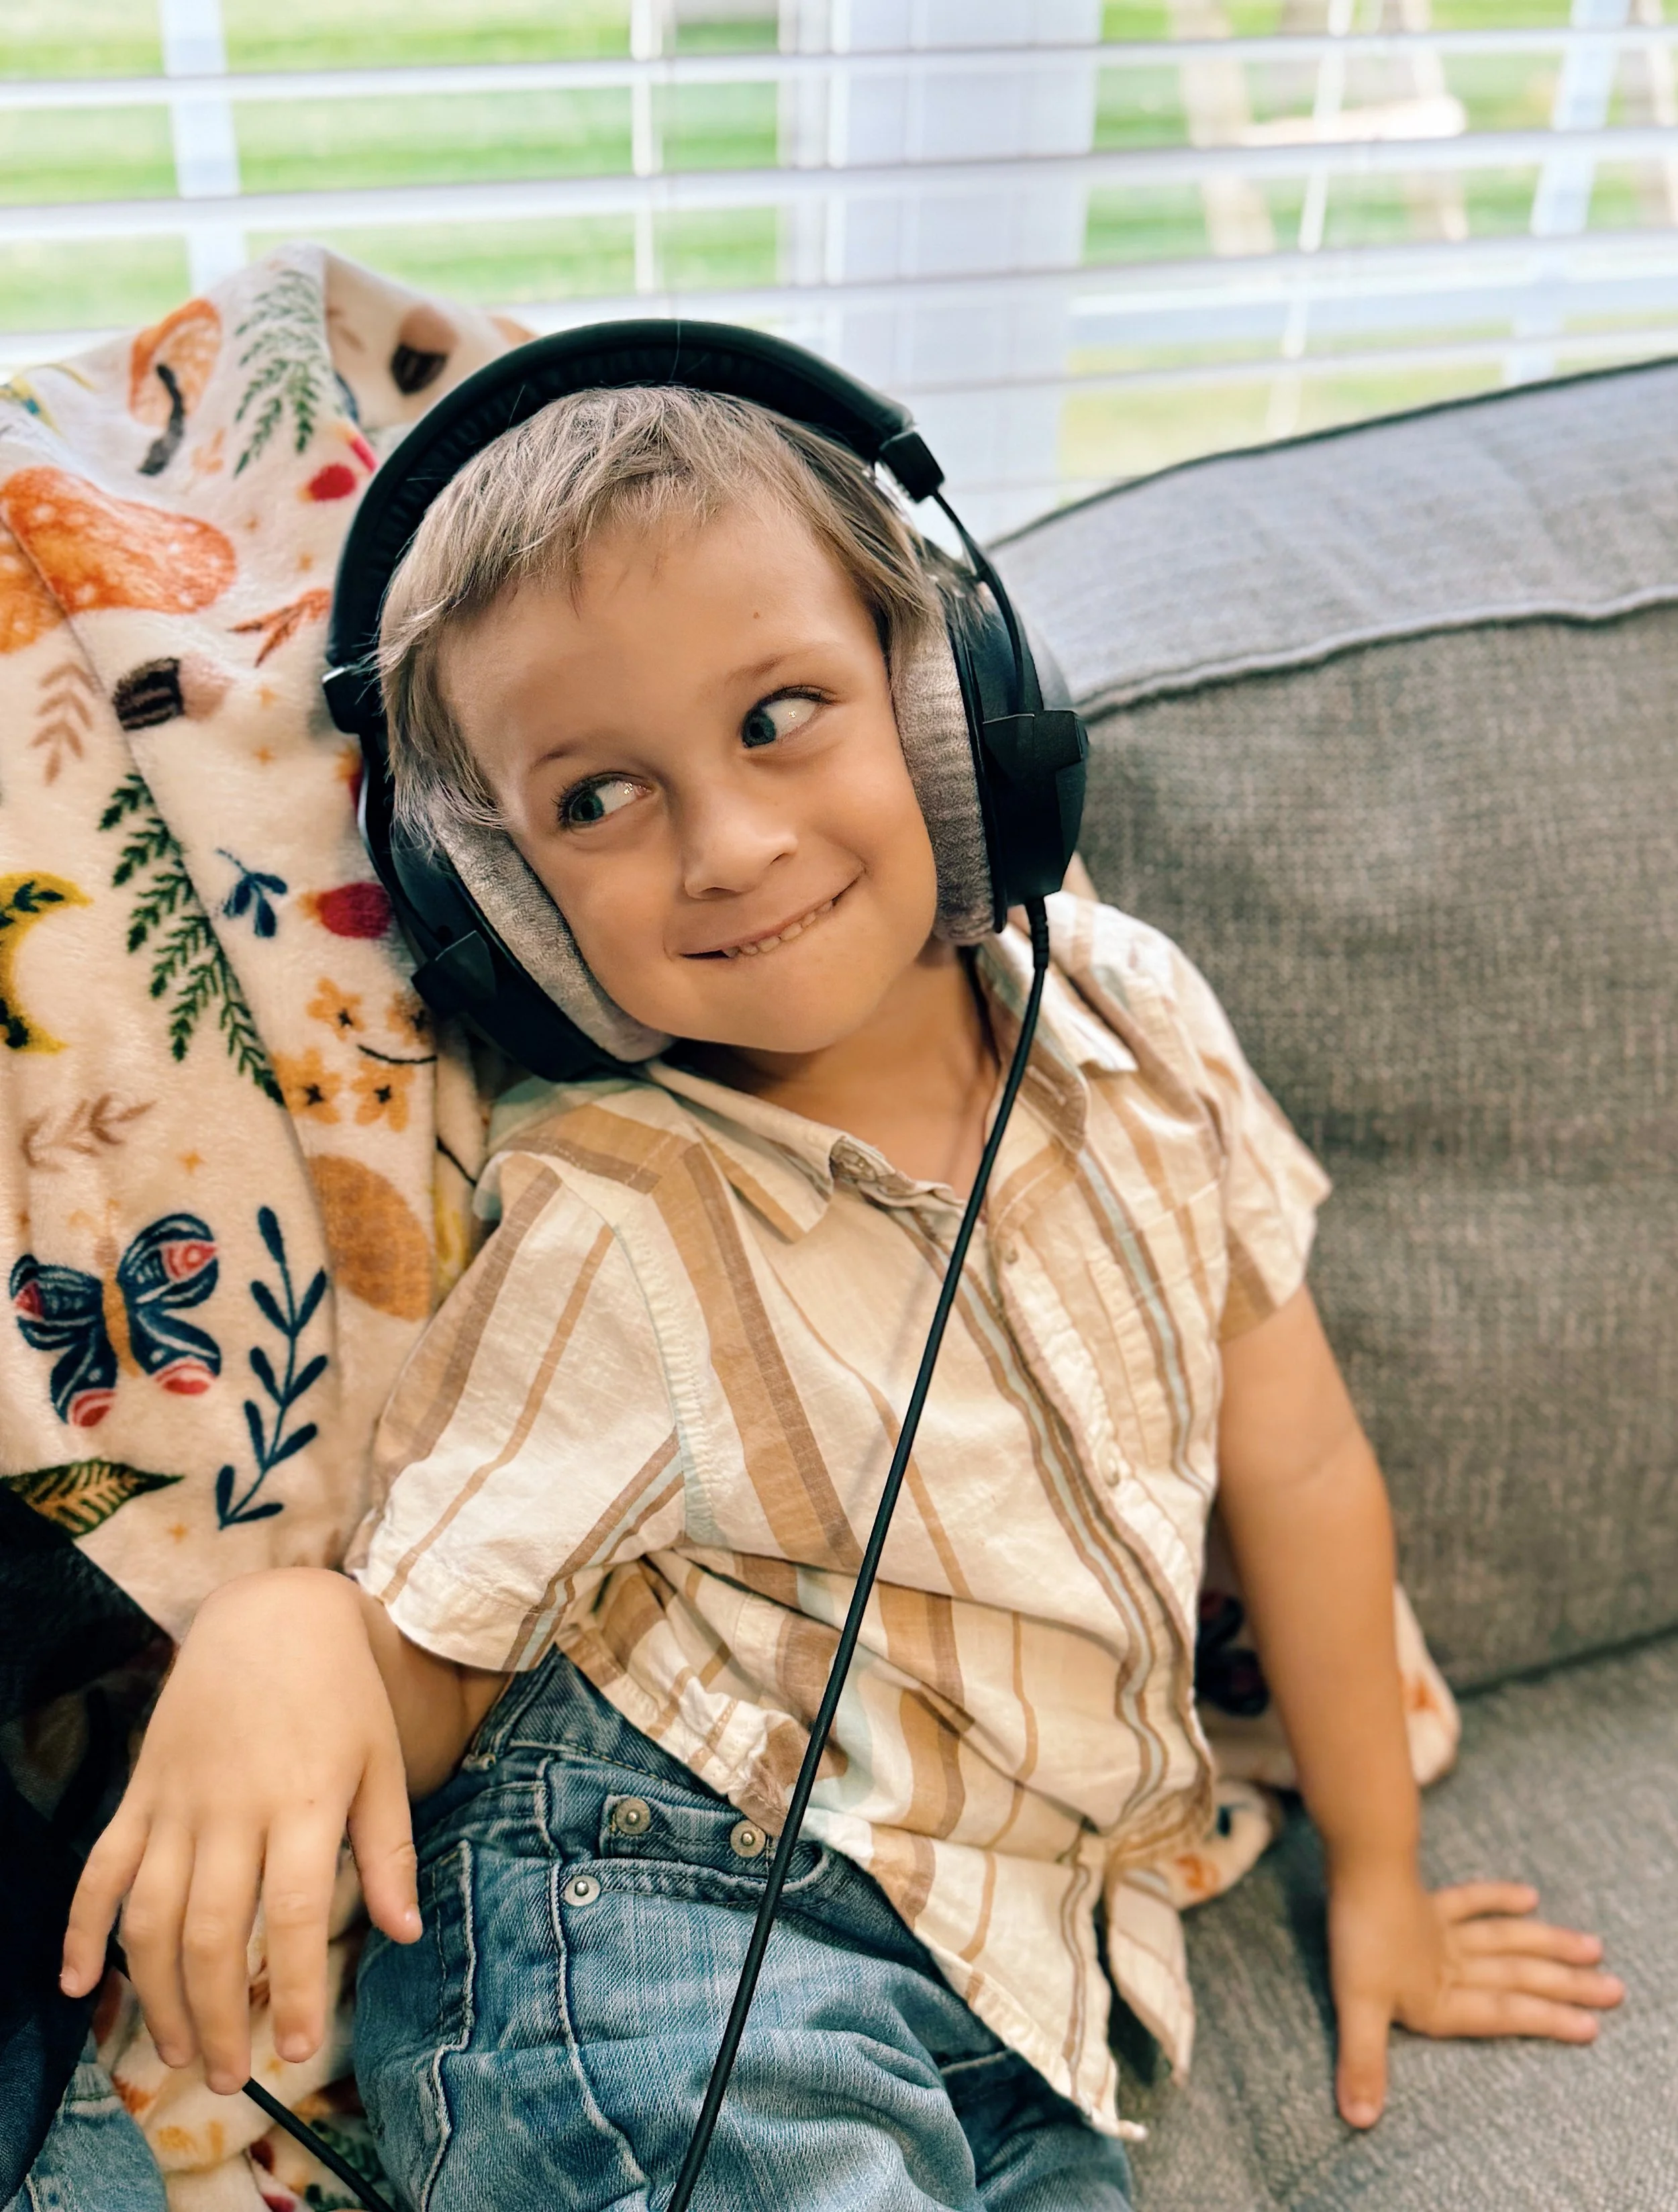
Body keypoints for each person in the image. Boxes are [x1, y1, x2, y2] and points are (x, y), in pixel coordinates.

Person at [60, 385, 1622, 2211]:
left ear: (943, 701)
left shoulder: (1133, 1018)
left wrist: (1379, 1876)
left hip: (1019, 1984)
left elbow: (1299, 1467)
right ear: (502, 902)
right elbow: (433, 1652)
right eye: (599, 796)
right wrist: (285, 1640)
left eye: (779, 716)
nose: (721, 843)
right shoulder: (619, 1218)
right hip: (653, 1917)